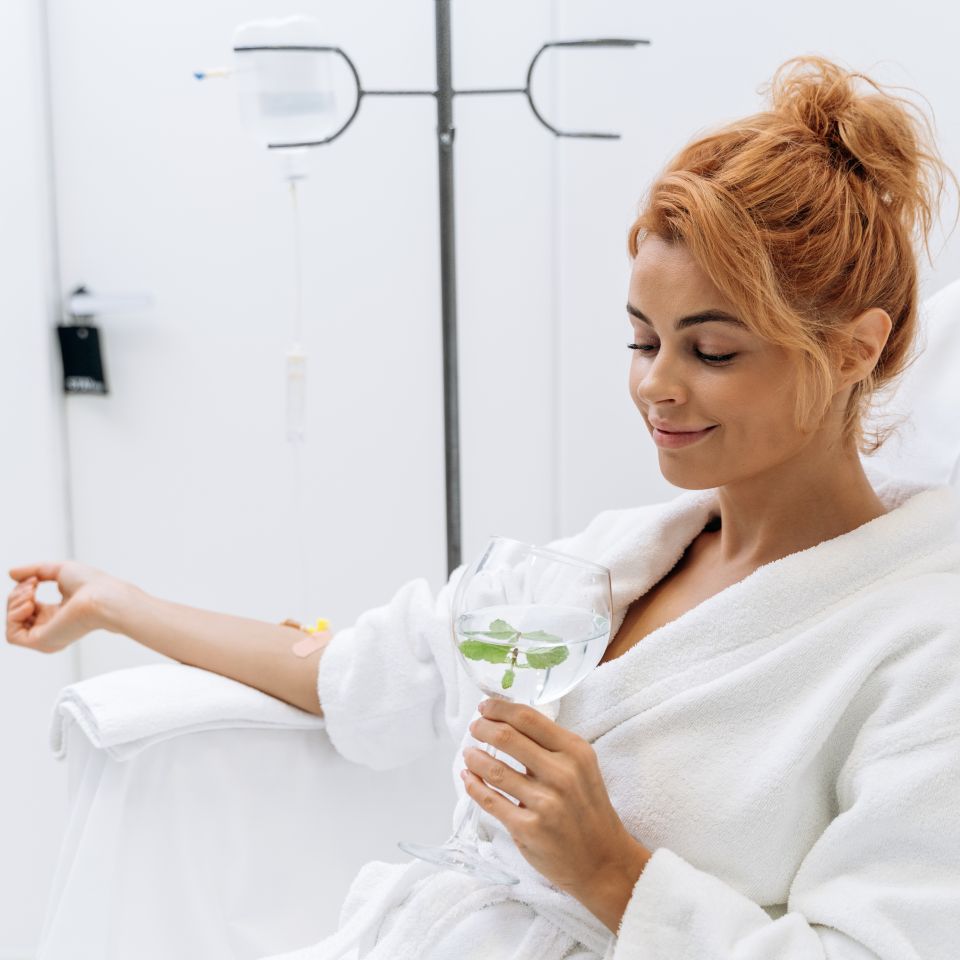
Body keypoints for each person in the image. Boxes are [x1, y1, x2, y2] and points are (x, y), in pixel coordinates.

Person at [7, 54, 960, 959]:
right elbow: (354, 667)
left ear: (856, 350)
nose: (656, 388)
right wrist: (115, 604)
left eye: (711, 352)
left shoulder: (921, 648)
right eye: (641, 341)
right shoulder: (605, 563)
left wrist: (613, 875)